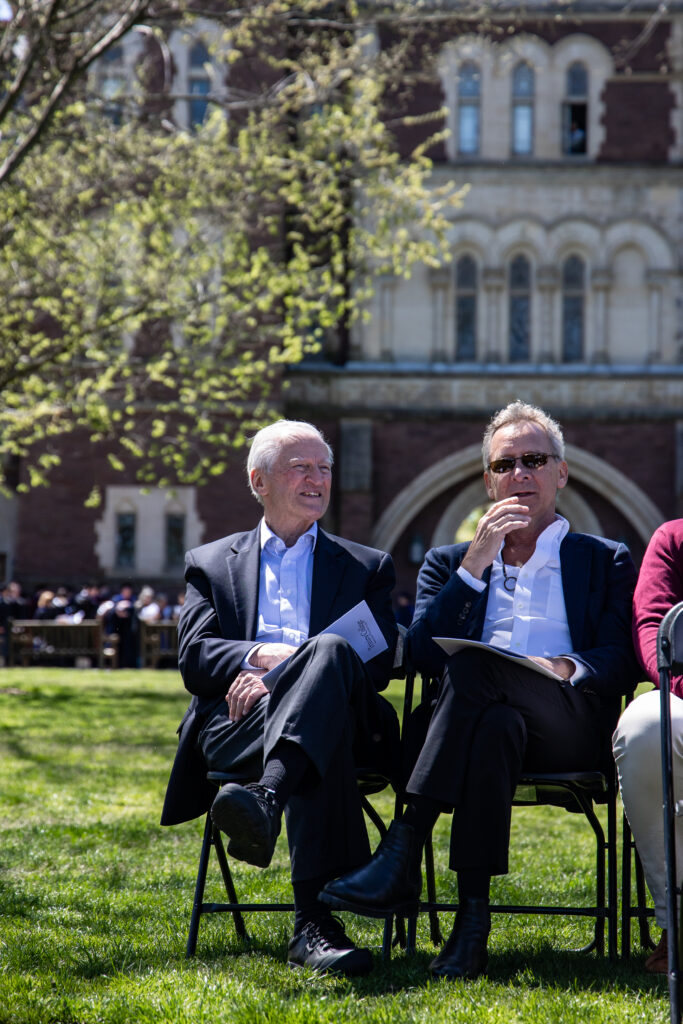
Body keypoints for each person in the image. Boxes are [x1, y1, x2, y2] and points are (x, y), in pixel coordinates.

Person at [321, 400, 641, 981]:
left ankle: (404, 844)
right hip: (474, 731)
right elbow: (417, 653)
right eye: (504, 464)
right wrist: (475, 565)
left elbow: (622, 659)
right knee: (490, 715)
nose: (519, 473)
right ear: (487, 481)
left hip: (565, 725)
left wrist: (562, 668)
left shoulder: (604, 559)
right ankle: (472, 926)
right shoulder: (451, 563)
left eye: (535, 460)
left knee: (475, 672)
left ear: (561, 473)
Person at [160, 419, 399, 976]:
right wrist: (264, 657)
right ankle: (314, 926)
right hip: (238, 724)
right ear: (258, 480)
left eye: (324, 468)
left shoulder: (366, 567)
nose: (317, 479)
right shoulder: (211, 563)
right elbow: (194, 657)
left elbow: (381, 662)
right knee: (320, 720)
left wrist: (290, 671)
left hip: (347, 718)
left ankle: (267, 797)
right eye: (301, 467)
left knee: (333, 655)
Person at [612, 519, 683, 973]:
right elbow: (655, 627)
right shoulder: (674, 538)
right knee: (646, 722)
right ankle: (676, 921)